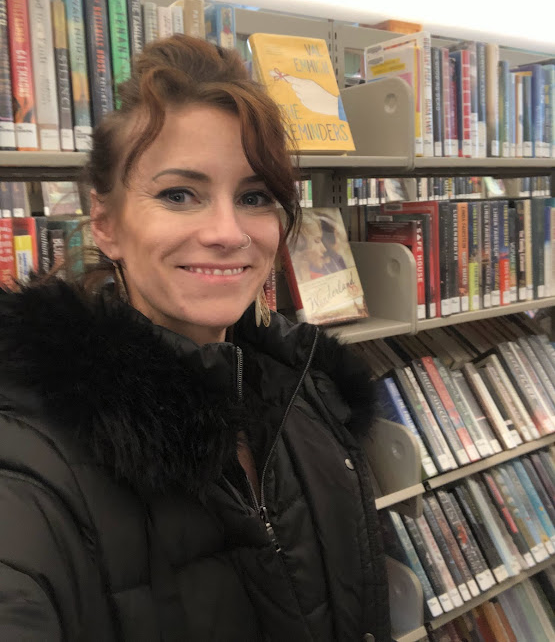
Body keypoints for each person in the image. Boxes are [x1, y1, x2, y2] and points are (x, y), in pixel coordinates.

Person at [0, 35, 390, 641]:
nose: (227, 232)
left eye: (254, 196)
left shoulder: (306, 390)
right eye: (179, 195)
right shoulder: (32, 454)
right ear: (106, 224)